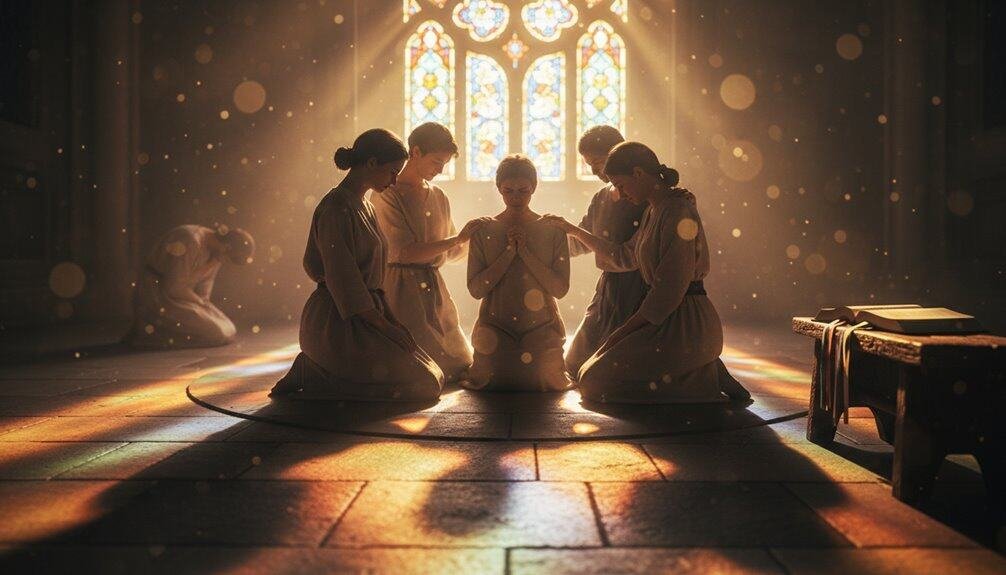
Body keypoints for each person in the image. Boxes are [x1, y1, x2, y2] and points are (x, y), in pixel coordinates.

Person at [543, 142, 750, 403]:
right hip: (661, 315)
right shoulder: (654, 210)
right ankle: (689, 371)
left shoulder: (677, 210)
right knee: (584, 371)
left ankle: (700, 376)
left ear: (639, 174)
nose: (619, 192)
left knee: (594, 382)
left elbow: (668, 290)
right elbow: (616, 253)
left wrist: (622, 332)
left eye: (621, 184)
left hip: (683, 320)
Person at [271, 128, 444, 401]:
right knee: (423, 385)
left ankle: (329, 375)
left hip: (369, 313)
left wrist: (391, 320)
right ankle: (315, 371)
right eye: (391, 171)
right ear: (371, 163)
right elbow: (344, 281)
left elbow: (374, 278)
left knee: (434, 375)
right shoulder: (335, 208)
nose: (395, 179)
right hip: (339, 320)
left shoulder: (367, 206)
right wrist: (384, 327)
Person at [372, 122, 490, 383]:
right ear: (415, 152)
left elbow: (453, 251)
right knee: (418, 364)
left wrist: (482, 239)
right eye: (436, 161)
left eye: (445, 164)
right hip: (400, 289)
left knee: (460, 362)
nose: (440, 169)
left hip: (433, 288)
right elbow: (403, 252)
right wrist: (456, 240)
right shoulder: (386, 195)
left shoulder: (438, 196)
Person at [465, 154, 573, 392]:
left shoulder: (552, 229)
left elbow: (560, 289)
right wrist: (507, 253)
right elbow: (476, 290)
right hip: (495, 327)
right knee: (494, 379)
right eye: (508, 190)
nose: (515, 197)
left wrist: (525, 253)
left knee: (542, 378)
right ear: (498, 189)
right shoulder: (483, 230)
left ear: (534, 188)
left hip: (542, 326)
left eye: (523, 190)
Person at [565, 125, 649, 378]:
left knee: (616, 369)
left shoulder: (643, 198)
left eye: (598, 162)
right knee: (574, 363)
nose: (594, 172)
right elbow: (579, 242)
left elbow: (629, 256)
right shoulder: (601, 197)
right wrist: (539, 240)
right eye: (589, 165)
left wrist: (576, 233)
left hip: (638, 289)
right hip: (608, 292)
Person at [126, 224, 254, 348]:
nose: (223, 262)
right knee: (216, 333)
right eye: (226, 259)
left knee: (229, 329)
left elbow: (204, 290)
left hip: (184, 298)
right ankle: (149, 335)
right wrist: (200, 303)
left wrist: (204, 306)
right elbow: (173, 288)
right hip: (158, 295)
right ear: (226, 247)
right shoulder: (190, 240)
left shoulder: (217, 255)